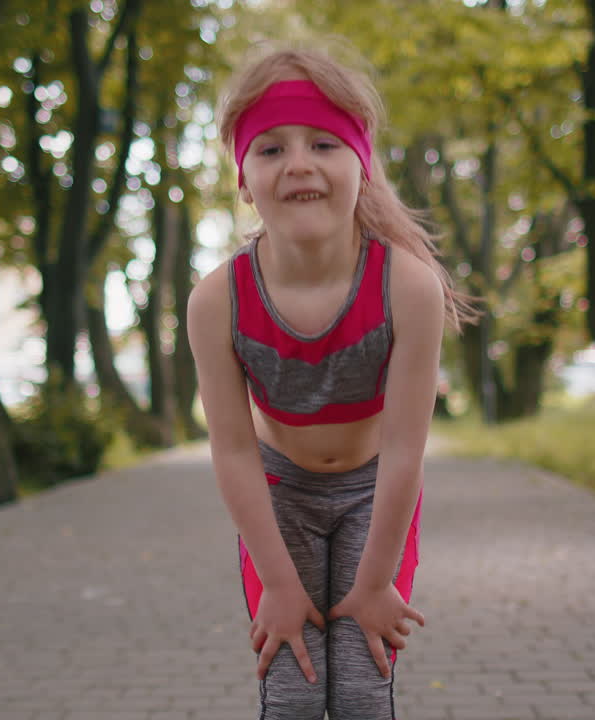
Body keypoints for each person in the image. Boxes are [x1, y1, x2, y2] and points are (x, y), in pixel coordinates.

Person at [186, 43, 472, 719]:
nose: (299, 164)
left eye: (323, 143)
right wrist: (278, 586)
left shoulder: (406, 287)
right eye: (271, 149)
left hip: (374, 498)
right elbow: (234, 451)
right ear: (243, 178)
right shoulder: (218, 300)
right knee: (294, 696)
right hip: (279, 499)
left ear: (361, 164)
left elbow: (404, 450)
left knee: (361, 693)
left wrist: (375, 583)